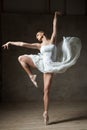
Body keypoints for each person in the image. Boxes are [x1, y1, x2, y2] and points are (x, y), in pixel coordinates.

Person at [2, 11, 81, 125]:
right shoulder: (39, 46)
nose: (37, 37)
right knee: (21, 58)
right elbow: (23, 44)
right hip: (41, 62)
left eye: (37, 35)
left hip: (49, 67)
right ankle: (31, 75)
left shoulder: (52, 40)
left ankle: (45, 112)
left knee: (46, 91)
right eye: (36, 36)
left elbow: (55, 26)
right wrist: (10, 42)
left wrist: (55, 15)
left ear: (42, 33)